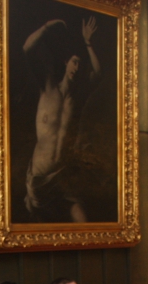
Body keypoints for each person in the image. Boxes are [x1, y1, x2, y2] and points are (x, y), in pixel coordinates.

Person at [22, 17, 102, 222]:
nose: (77, 67)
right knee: (39, 232)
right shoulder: (48, 88)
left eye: (80, 64)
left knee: (83, 224)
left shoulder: (77, 98)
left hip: (63, 178)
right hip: (40, 179)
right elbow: (28, 48)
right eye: (74, 62)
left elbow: (98, 73)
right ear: (66, 63)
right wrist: (47, 27)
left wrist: (88, 43)